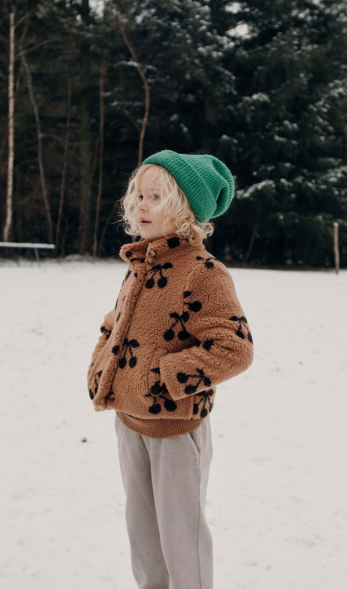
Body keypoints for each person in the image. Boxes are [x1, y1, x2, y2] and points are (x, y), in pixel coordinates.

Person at [87, 150, 254, 589]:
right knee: (143, 538)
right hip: (129, 422)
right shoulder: (141, 262)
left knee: (182, 542)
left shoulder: (204, 273)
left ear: (185, 208)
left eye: (156, 197)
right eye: (140, 195)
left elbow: (235, 347)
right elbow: (115, 323)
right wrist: (102, 368)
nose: (142, 205)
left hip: (176, 432)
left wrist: (163, 377)